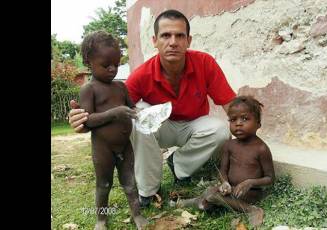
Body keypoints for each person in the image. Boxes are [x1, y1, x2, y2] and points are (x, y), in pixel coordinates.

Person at [68, 9, 236, 207]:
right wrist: (83, 119)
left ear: (188, 41)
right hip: (160, 129)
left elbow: (232, 106)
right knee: (134, 115)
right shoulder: (142, 75)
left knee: (221, 129)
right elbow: (114, 108)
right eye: (166, 35)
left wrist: (248, 129)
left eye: (179, 35)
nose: (173, 42)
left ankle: (179, 166)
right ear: (155, 40)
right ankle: (148, 191)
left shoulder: (205, 63)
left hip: (193, 126)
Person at [78, 31, 147, 230]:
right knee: (104, 185)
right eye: (106, 64)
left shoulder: (120, 87)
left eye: (116, 64)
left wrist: (141, 113)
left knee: (130, 183)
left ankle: (137, 216)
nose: (113, 69)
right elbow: (88, 120)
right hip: (103, 148)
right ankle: (101, 219)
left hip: (125, 145)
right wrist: (114, 113)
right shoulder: (89, 89)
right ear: (88, 62)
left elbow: (132, 108)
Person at [174, 96, 275, 228]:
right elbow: (223, 171)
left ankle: (252, 210)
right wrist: (224, 182)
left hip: (250, 193)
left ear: (258, 124)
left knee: (211, 195)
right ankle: (200, 201)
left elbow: (270, 178)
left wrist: (250, 183)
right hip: (230, 190)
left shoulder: (261, 149)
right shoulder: (229, 145)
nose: (238, 123)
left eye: (245, 119)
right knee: (211, 194)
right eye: (233, 120)